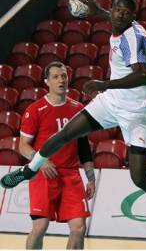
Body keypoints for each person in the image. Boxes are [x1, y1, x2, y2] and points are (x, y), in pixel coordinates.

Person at [0, 0, 146, 245]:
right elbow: (113, 16)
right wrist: (97, 9)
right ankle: (30, 170)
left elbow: (140, 76)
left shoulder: (134, 38)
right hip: (112, 102)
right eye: (115, 8)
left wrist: (103, 84)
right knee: (66, 134)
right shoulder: (120, 21)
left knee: (139, 177)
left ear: (133, 17)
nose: (117, 13)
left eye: (123, 11)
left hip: (138, 111)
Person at [21, 62, 94, 249]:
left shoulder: (78, 109)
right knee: (40, 227)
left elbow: (83, 146)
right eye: (55, 76)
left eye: (63, 76)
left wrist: (91, 178)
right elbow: (23, 146)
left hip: (71, 175)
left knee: (79, 228)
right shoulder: (35, 109)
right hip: (43, 174)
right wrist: (41, 161)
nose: (61, 80)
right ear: (47, 82)